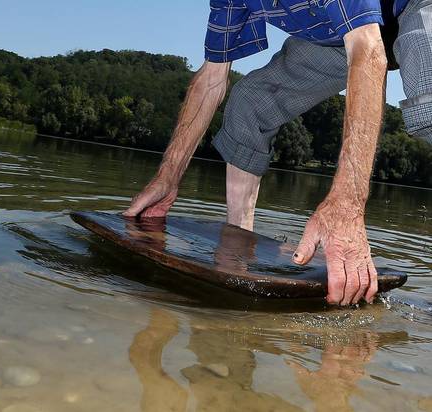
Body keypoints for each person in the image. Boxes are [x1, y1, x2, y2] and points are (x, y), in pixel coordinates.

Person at [124, 0, 432, 306]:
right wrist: (167, 177)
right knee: (250, 101)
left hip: (414, 7)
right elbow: (211, 79)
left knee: (428, 110)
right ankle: (237, 252)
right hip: (338, 37)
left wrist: (346, 209)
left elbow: (368, 52)